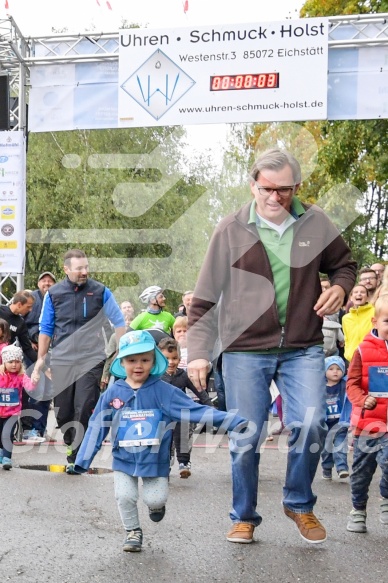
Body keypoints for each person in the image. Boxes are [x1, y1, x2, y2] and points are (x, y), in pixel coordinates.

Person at [187, 148, 357, 545]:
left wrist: (340, 287)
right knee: (247, 434)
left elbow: (344, 265)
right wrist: (197, 351)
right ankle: (243, 515)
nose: (275, 198)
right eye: (267, 189)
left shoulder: (315, 222)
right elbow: (205, 296)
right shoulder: (230, 229)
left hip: (302, 345)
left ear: (296, 187)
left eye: (285, 190)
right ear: (253, 185)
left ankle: (299, 503)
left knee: (311, 423)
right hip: (245, 348)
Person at [74, 330, 247, 552]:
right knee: (124, 496)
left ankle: (157, 506)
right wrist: (84, 458)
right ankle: (133, 531)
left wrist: (234, 422)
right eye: (132, 360)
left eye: (145, 360)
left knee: (154, 499)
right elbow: (97, 425)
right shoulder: (112, 392)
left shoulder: (164, 391)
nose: (138, 365)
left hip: (155, 461)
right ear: (122, 362)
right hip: (123, 458)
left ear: (154, 361)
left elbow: (194, 410)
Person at [32, 249, 126, 473]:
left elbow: (119, 322)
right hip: (62, 359)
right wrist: (40, 360)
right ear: (66, 269)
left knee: (83, 407)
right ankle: (69, 440)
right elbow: (45, 329)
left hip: (90, 358)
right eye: (79, 268)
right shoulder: (53, 294)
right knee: (63, 412)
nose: (85, 272)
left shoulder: (101, 291)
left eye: (86, 267)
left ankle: (77, 455)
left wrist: (123, 352)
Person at [345, 295, 388, 533]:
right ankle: (358, 509)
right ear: (375, 321)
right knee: (362, 471)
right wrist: (363, 400)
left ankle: (386, 499)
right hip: (368, 424)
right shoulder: (363, 349)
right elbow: (351, 384)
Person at [159, 336, 213, 478]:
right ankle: (165, 463)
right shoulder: (156, 377)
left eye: (174, 358)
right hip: (162, 415)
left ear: (179, 358)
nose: (171, 362)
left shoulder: (183, 375)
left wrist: (209, 406)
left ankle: (184, 463)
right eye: (166, 358)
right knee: (164, 440)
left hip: (180, 413)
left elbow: (199, 390)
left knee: (182, 437)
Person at [22, 271, 56, 441]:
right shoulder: (32, 299)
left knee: (48, 391)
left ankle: (40, 428)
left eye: (50, 281)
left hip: (53, 351)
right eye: (44, 281)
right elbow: (23, 325)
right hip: (34, 353)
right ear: (38, 284)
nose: (47, 284)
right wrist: (32, 340)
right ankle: (28, 428)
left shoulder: (58, 298)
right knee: (34, 388)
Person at [0, 345, 39, 470]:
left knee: (8, 434)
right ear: (4, 362)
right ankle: (2, 452)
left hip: (12, 413)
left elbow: (30, 387)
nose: (14, 365)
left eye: (17, 362)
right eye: (10, 362)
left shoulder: (21, 376)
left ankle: (7, 458)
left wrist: (34, 380)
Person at [321, 356, 349, 480]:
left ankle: (342, 468)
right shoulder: (319, 386)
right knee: (326, 448)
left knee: (340, 444)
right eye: (331, 369)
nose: (335, 371)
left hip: (340, 422)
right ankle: (327, 468)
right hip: (325, 423)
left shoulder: (346, 384)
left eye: (338, 369)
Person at [342, 284, 374, 363]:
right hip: (352, 358)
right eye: (355, 292)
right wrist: (348, 353)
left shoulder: (374, 312)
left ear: (367, 297)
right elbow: (347, 338)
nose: (359, 294)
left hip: (372, 356)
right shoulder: (345, 318)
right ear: (351, 297)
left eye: (362, 292)